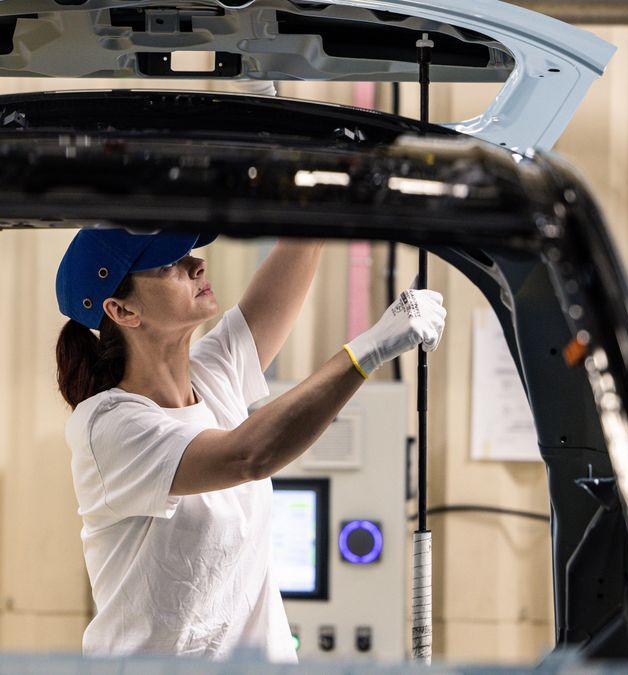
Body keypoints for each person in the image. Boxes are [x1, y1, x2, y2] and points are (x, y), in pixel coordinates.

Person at [53, 229, 446, 662]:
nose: (196, 265)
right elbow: (249, 456)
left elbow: (302, 247)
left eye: (189, 254)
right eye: (170, 265)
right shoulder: (108, 426)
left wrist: (319, 199)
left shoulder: (212, 375)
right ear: (121, 309)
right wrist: (367, 350)